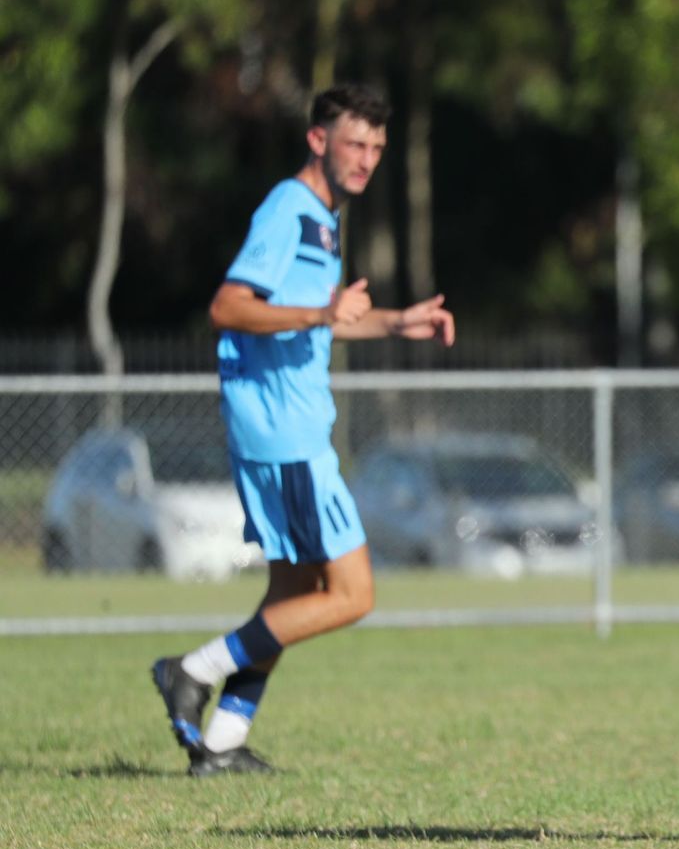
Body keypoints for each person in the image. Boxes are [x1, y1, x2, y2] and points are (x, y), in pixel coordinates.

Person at [149, 84, 456, 776]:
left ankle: (221, 744)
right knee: (352, 594)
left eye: (378, 147)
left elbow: (318, 318)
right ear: (318, 140)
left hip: (290, 431)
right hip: (284, 436)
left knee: (290, 596)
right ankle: (191, 670)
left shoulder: (324, 219)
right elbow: (229, 307)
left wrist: (396, 321)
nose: (367, 159)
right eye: (356, 143)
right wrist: (321, 314)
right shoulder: (288, 208)